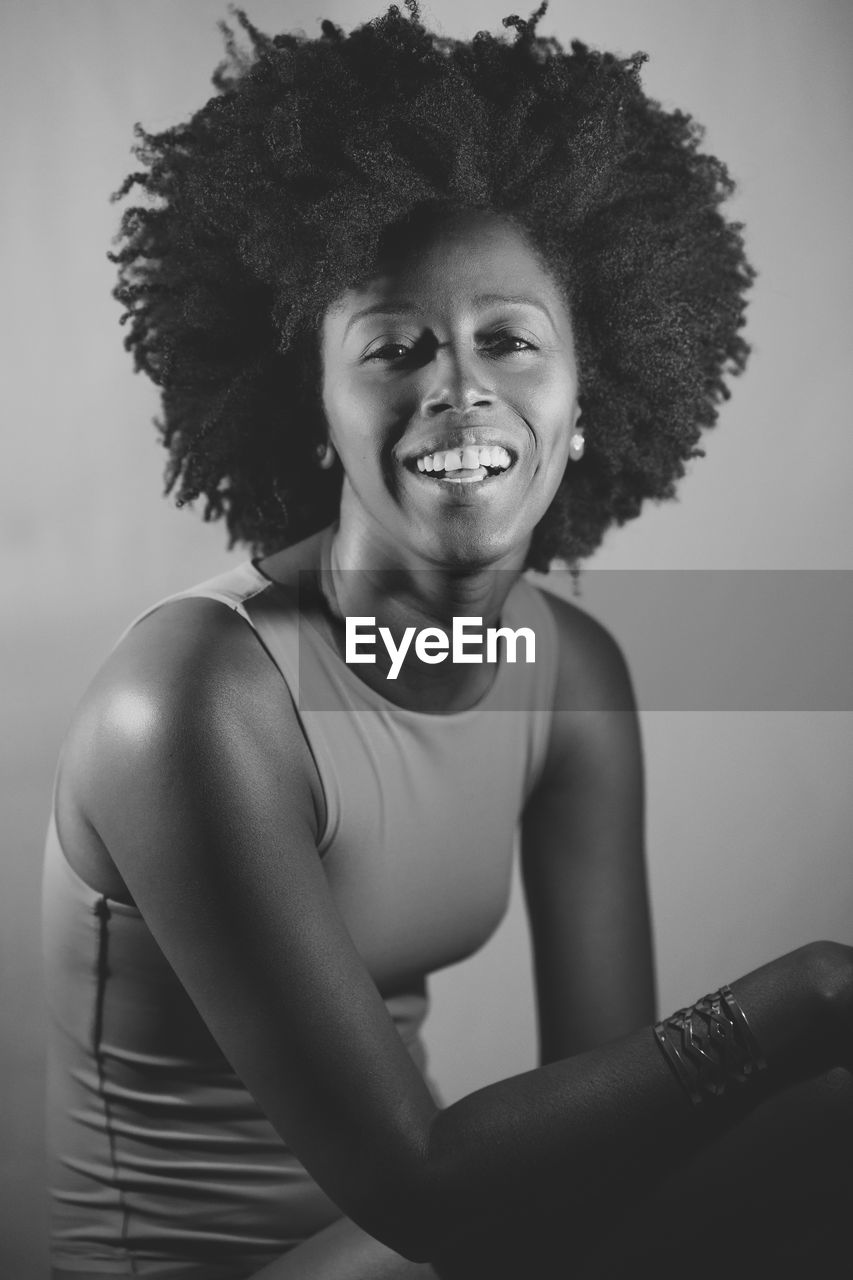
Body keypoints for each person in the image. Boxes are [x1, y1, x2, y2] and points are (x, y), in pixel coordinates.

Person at [42, 4, 852, 1278]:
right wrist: (806, 996)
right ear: (313, 405)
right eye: (393, 348)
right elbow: (419, 1182)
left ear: (591, 391)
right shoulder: (199, 697)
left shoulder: (567, 674)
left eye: (510, 341)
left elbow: (626, 1138)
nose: (458, 388)